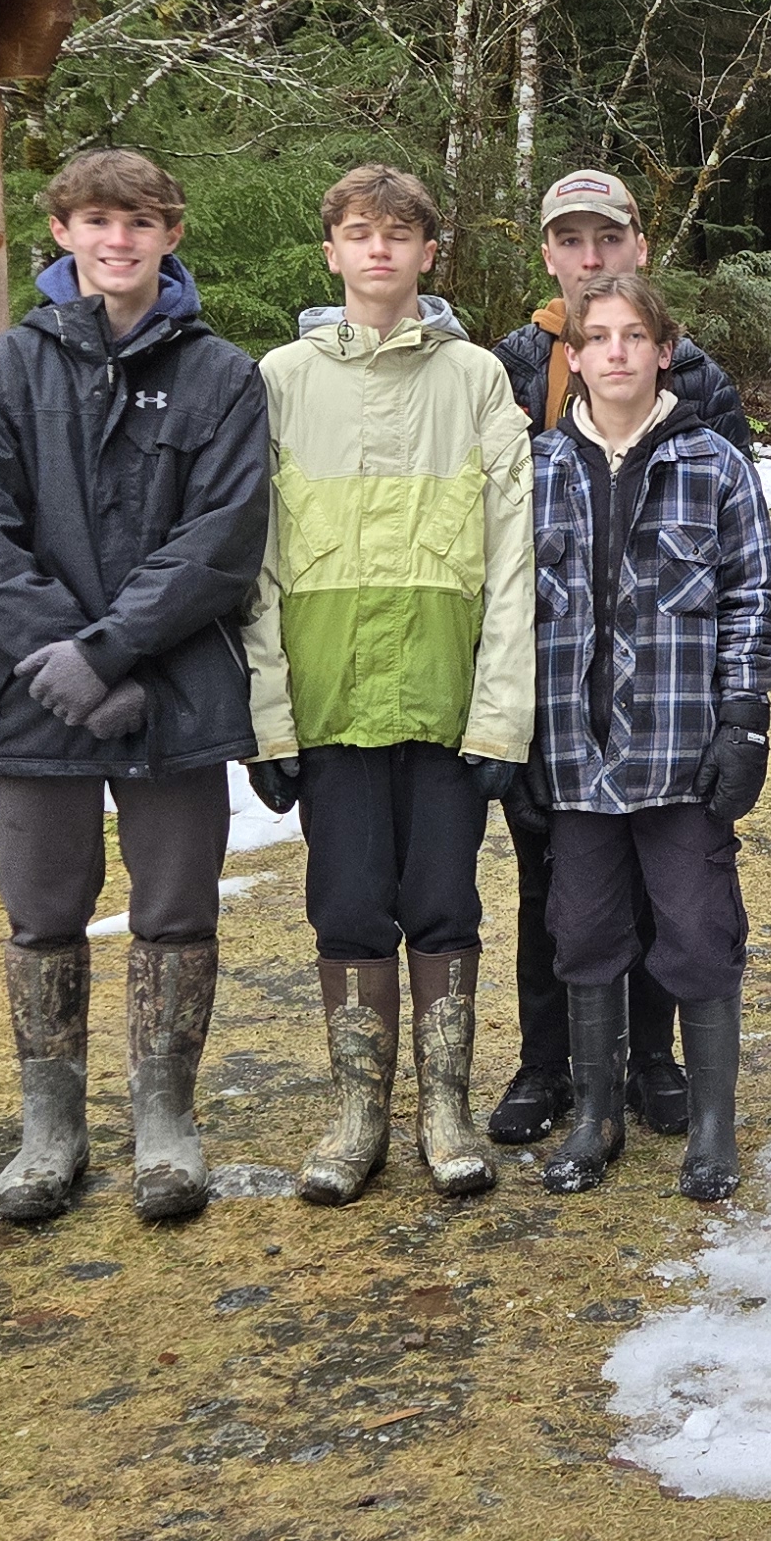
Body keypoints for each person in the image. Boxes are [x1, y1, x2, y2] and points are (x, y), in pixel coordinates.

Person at [0, 148, 270, 1228]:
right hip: (34, 700)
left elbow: (222, 541)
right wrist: (71, 668)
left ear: (170, 234)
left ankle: (166, 1120)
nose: (117, 240)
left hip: (177, 696)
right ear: (62, 233)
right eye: (94, 221)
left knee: (174, 910)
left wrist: (116, 652)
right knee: (42, 914)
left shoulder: (222, 376)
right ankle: (51, 1127)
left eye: (138, 222)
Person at [243, 165, 537, 1207]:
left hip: (445, 695)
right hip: (330, 701)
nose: (378, 250)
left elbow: (512, 560)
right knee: (348, 902)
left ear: (425, 254)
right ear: (330, 251)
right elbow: (260, 560)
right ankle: (358, 1109)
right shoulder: (280, 379)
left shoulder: (475, 381)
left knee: (444, 899)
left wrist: (503, 713)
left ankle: (444, 1108)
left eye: (398, 234)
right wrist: (269, 713)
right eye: (358, 233)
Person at [488, 169, 753, 1153]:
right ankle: (547, 1063)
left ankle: (653, 1060)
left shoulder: (701, 381)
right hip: (558, 705)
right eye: (571, 240)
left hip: (668, 702)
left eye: (608, 237)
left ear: (638, 244)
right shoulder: (509, 368)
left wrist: (739, 711)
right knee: (553, 885)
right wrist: (507, 718)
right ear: (549, 252)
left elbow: (733, 551)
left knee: (666, 881)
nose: (590, 255)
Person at [526, 272, 771, 1199]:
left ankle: (712, 1128)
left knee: (700, 931)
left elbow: (753, 595)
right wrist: (516, 737)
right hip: (574, 759)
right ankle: (595, 1116)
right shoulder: (537, 470)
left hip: (681, 755)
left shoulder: (714, 463)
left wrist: (744, 719)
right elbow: (513, 609)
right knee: (585, 933)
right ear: (576, 356)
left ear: (664, 350)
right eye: (598, 338)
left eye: (635, 335)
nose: (617, 353)